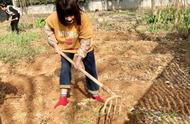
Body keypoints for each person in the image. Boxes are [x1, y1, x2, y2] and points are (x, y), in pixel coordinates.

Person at [44, 0, 104, 108]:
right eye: (65, 16)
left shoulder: (83, 17)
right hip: (66, 48)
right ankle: (63, 97)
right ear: (59, 13)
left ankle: (94, 93)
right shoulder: (53, 18)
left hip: (85, 47)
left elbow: (86, 40)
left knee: (90, 68)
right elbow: (48, 30)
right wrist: (54, 44)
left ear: (76, 11)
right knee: (65, 68)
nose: (69, 19)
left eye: (71, 15)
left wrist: (79, 57)